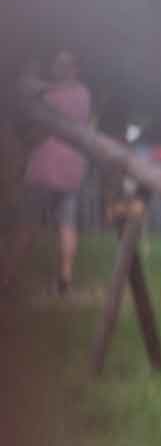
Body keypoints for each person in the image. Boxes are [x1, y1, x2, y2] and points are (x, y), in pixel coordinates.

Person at [3, 50, 91, 297]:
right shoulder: (84, 94)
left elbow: (36, 125)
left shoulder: (50, 96)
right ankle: (65, 280)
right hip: (74, 168)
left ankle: (6, 278)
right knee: (67, 225)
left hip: (46, 167)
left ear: (64, 69)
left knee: (27, 224)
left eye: (58, 65)